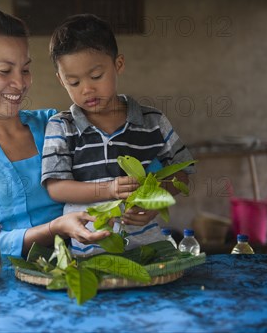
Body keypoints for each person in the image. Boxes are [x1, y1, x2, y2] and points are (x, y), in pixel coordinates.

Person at [0, 6, 111, 258]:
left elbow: (114, 158)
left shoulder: (53, 123)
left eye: (25, 69)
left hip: (83, 263)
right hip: (4, 283)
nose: (20, 82)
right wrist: (54, 228)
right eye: (4, 71)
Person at [42, 14, 195, 256]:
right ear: (61, 80)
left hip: (148, 249)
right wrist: (109, 190)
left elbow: (182, 173)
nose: (87, 89)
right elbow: (57, 188)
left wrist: (156, 201)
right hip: (87, 255)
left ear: (118, 65)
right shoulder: (62, 126)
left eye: (96, 77)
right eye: (74, 82)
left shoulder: (152, 121)